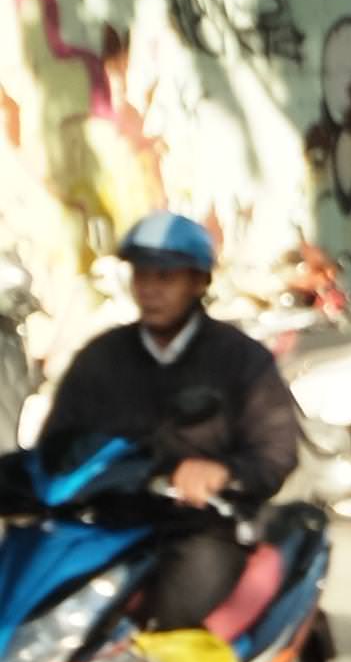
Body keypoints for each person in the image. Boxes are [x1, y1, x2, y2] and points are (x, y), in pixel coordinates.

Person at [39, 213, 302, 624]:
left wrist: (222, 472)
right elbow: (56, 444)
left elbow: (276, 450)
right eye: (141, 275)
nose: (150, 289)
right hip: (107, 527)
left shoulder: (241, 360)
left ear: (198, 282)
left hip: (203, 528)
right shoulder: (100, 358)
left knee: (167, 627)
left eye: (165, 277)